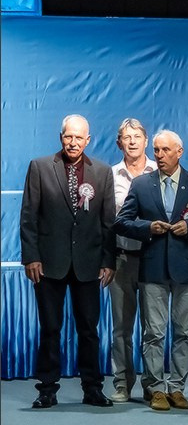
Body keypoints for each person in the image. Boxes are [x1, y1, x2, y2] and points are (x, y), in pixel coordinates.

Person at [114, 130, 188, 411]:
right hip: (152, 268)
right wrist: (146, 228)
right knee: (153, 333)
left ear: (179, 152)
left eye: (165, 150)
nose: (159, 156)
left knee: (184, 333)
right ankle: (154, 388)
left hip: (186, 270)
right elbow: (122, 222)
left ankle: (177, 387)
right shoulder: (141, 185)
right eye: (157, 150)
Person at [20, 114, 117, 408]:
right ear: (60, 137)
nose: (73, 142)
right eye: (68, 136)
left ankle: (92, 388)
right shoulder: (39, 167)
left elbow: (108, 222)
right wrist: (31, 257)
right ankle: (47, 389)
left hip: (89, 264)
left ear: (88, 140)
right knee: (50, 328)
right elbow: (28, 217)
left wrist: (108, 261)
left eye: (79, 138)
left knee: (89, 330)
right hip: (49, 263)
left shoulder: (102, 172)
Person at [107, 118, 157, 402]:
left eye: (137, 135)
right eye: (127, 137)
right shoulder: (110, 175)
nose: (133, 141)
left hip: (153, 258)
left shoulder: (158, 170)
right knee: (121, 328)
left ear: (146, 140)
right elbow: (105, 221)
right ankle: (122, 383)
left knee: (153, 327)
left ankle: (152, 384)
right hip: (122, 258)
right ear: (119, 143)